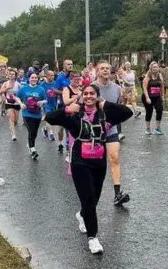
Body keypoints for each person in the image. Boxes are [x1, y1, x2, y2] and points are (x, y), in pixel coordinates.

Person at [45, 84, 133, 254]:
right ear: (81, 96)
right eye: (85, 94)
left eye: (92, 93)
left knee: (94, 198)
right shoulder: (74, 115)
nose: (89, 96)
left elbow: (126, 112)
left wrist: (104, 104)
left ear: (97, 95)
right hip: (79, 162)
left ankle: (82, 214)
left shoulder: (105, 114)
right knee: (89, 199)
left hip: (99, 162)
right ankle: (93, 238)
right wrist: (67, 108)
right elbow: (50, 117)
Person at [94, 60, 130, 205]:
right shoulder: (91, 88)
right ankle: (92, 192)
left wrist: (112, 121)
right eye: (102, 68)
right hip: (95, 130)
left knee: (114, 158)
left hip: (111, 128)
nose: (105, 70)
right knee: (97, 163)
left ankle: (117, 194)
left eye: (107, 68)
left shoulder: (116, 88)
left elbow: (118, 107)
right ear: (97, 71)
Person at [15, 73, 47, 160]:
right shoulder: (24, 88)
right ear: (29, 79)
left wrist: (42, 102)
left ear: (37, 79)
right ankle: (33, 150)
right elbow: (17, 97)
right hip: (27, 113)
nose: (34, 79)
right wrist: (21, 103)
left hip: (37, 114)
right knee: (31, 130)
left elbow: (45, 100)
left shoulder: (41, 89)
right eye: (32, 77)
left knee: (35, 132)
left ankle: (30, 144)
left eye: (35, 78)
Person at [53, 59, 73, 153]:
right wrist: (65, 93)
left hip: (71, 104)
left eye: (71, 64)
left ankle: (68, 145)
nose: (70, 66)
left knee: (69, 127)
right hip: (61, 104)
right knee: (61, 128)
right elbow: (55, 90)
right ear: (64, 66)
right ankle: (60, 143)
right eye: (68, 64)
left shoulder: (73, 76)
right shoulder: (60, 77)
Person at [142, 61, 165, 135]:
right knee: (149, 111)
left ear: (158, 68)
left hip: (157, 96)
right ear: (151, 68)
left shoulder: (160, 75)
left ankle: (158, 128)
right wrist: (147, 98)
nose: (155, 68)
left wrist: (163, 96)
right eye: (154, 67)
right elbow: (144, 88)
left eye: (156, 67)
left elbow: (162, 86)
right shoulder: (148, 76)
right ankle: (148, 128)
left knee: (160, 109)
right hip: (148, 96)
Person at [0, 70, 22, 141]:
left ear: (15, 76)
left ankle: (12, 126)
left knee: (16, 120)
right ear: (8, 75)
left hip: (16, 103)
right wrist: (7, 88)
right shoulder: (5, 83)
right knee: (11, 118)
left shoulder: (18, 84)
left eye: (13, 74)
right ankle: (13, 135)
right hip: (8, 102)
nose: (11, 75)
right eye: (10, 74)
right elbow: (0, 92)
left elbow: (22, 93)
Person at [40, 70, 58, 141]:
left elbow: (60, 92)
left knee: (52, 119)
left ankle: (45, 129)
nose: (52, 77)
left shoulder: (56, 83)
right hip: (46, 104)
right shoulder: (42, 84)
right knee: (48, 117)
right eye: (50, 75)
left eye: (53, 75)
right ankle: (51, 134)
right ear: (46, 76)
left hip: (54, 103)